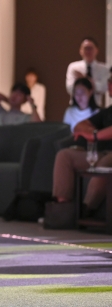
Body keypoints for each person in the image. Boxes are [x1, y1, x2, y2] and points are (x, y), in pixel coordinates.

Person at [52, 69, 112, 215]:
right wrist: (92, 133)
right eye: (109, 82)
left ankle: (86, 211)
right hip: (98, 153)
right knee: (65, 155)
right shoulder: (108, 111)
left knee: (104, 166)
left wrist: (95, 135)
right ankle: (63, 208)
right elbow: (80, 125)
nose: (109, 85)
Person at [66, 37, 107, 107]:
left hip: (96, 107)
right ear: (80, 51)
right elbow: (70, 88)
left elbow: (103, 87)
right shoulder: (73, 67)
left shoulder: (104, 68)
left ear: (96, 50)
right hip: (76, 108)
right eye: (85, 48)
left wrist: (84, 78)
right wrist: (93, 85)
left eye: (90, 48)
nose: (88, 51)